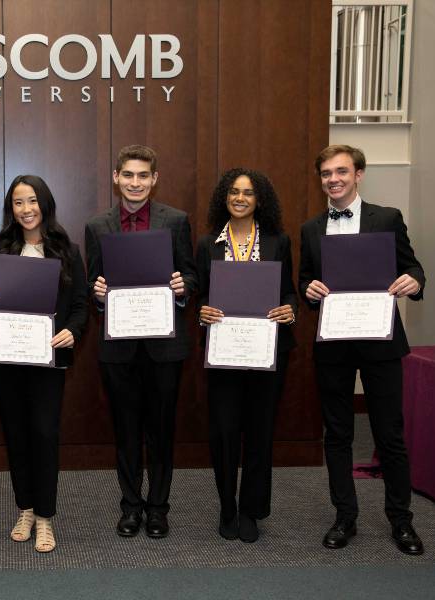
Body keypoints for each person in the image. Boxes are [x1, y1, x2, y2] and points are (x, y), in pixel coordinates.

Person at [300, 144, 426, 555]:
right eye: (325, 174)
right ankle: (345, 516)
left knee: (389, 433)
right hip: (334, 343)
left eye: (340, 171)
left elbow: (412, 266)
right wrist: (309, 290)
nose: (332, 179)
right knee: (337, 433)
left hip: (380, 341)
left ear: (359, 174)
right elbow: (305, 282)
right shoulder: (311, 229)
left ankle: (401, 521)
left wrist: (415, 281)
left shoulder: (387, 218)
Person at [84, 144, 197, 538]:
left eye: (143, 176)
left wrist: (184, 287)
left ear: (155, 179)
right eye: (128, 175)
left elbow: (191, 275)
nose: (135, 183)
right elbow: (92, 282)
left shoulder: (176, 221)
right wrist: (97, 293)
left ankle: (158, 508)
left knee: (161, 430)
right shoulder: (98, 225)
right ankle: (131, 507)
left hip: (165, 344)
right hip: (118, 346)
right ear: (116, 178)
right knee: (126, 430)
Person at [0, 175, 87, 553]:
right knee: (17, 434)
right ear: (11, 208)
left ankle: (46, 517)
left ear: (45, 204)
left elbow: (82, 306)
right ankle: (25, 508)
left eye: (32, 201)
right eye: (19, 203)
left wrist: (72, 330)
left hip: (48, 360)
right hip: (5, 360)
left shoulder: (67, 250)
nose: (26, 209)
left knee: (44, 434)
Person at [195, 168, 297, 543]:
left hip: (267, 350)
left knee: (259, 431)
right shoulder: (208, 244)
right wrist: (201, 311)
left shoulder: (277, 241)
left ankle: (251, 509)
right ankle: (227, 505)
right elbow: (200, 294)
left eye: (248, 193)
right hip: (223, 350)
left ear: (260, 200)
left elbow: (289, 292)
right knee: (223, 432)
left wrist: (290, 310)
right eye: (234, 192)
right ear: (225, 197)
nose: (240, 198)